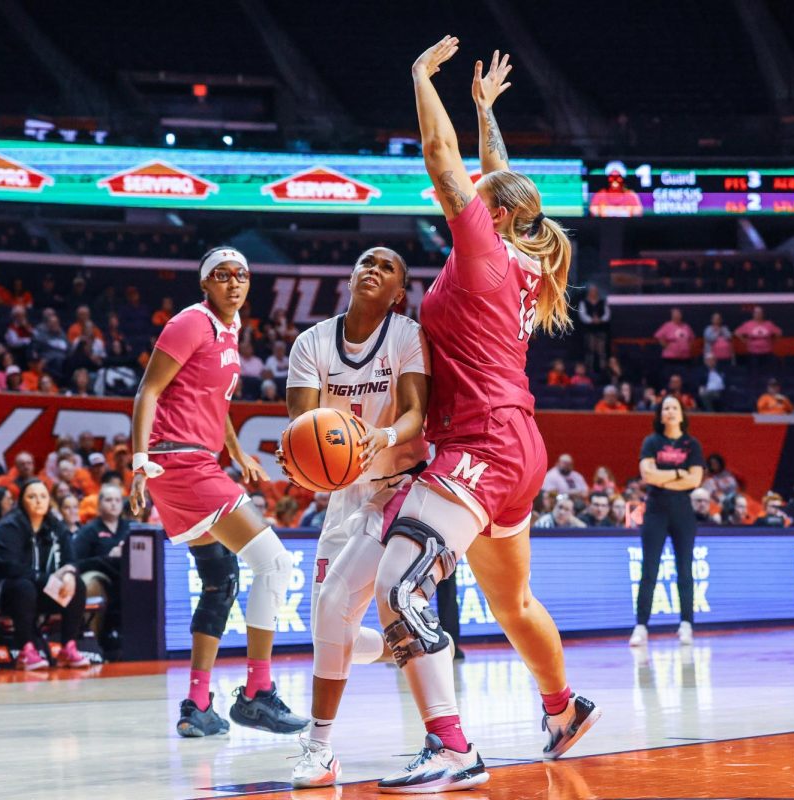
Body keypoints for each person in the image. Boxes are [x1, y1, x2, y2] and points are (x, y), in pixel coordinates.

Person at [365, 42, 600, 792]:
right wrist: (486, 111)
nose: (465, 200)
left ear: (490, 215)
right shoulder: (532, 253)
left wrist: (417, 78)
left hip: (481, 441)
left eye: (479, 199)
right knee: (513, 602)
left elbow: (442, 159)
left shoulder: (483, 252)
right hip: (518, 443)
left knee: (399, 585)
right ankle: (562, 708)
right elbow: (503, 183)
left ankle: (452, 746)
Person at [129, 245, 308, 738]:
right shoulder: (192, 322)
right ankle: (256, 693)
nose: (234, 283)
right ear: (205, 284)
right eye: (222, 275)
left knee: (219, 579)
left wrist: (236, 451)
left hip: (195, 460)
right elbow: (148, 390)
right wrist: (139, 463)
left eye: (242, 275)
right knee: (275, 563)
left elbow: (213, 402)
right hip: (180, 461)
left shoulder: (228, 333)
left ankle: (198, 705)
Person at [279, 246, 431, 788]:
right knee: (329, 622)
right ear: (349, 276)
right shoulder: (311, 342)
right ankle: (410, 640)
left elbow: (417, 411)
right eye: (366, 262)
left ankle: (319, 748)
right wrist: (302, 458)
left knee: (331, 605)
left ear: (399, 291)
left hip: (398, 487)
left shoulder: (406, 334)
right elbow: (305, 423)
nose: (373, 269)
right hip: (344, 494)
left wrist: (384, 437)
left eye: (387, 267)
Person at [0, 480, 90, 669]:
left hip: (40, 588)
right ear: (21, 501)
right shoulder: (8, 527)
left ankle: (68, 647)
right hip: (3, 590)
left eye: (43, 496)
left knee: (76, 585)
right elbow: (11, 568)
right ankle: (26, 650)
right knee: (24, 587)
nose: (38, 501)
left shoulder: (54, 525)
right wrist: (48, 579)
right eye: (32, 496)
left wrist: (69, 573)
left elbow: (71, 559)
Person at [630, 396, 705, 648]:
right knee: (649, 569)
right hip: (655, 510)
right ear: (660, 415)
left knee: (685, 569)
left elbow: (694, 480)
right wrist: (676, 473)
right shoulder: (651, 442)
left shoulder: (692, 444)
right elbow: (647, 475)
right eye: (666, 408)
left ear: (682, 414)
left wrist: (663, 477)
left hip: (682, 511)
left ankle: (686, 624)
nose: (670, 411)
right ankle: (641, 626)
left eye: (675, 407)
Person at [71, 485, 131, 649]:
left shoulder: (131, 527)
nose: (114, 504)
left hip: (131, 576)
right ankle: (97, 639)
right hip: (103, 577)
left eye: (117, 500)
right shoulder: (89, 530)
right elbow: (75, 562)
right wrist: (108, 558)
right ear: (99, 504)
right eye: (108, 500)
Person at [735, 306, 781, 370]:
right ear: (753, 314)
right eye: (756, 313)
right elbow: (737, 332)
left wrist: (773, 341)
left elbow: (779, 332)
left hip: (767, 353)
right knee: (754, 372)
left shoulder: (768, 324)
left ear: (763, 314)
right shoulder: (748, 324)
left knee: (767, 371)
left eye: (760, 313)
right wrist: (744, 340)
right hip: (753, 353)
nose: (758, 314)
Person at [577, 284, 609, 372]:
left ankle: (603, 369)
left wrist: (600, 320)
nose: (593, 293)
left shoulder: (602, 302)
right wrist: (591, 320)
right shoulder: (584, 302)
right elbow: (582, 315)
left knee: (601, 351)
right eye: (592, 291)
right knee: (590, 350)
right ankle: (589, 369)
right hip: (589, 330)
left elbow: (607, 314)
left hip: (601, 329)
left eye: (595, 291)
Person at [654, 308, 694, 373]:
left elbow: (691, 338)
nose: (677, 316)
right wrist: (667, 347)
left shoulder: (686, 326)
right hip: (671, 358)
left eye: (678, 314)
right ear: (672, 316)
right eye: (675, 315)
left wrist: (688, 347)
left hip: (684, 357)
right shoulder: (667, 325)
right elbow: (659, 337)